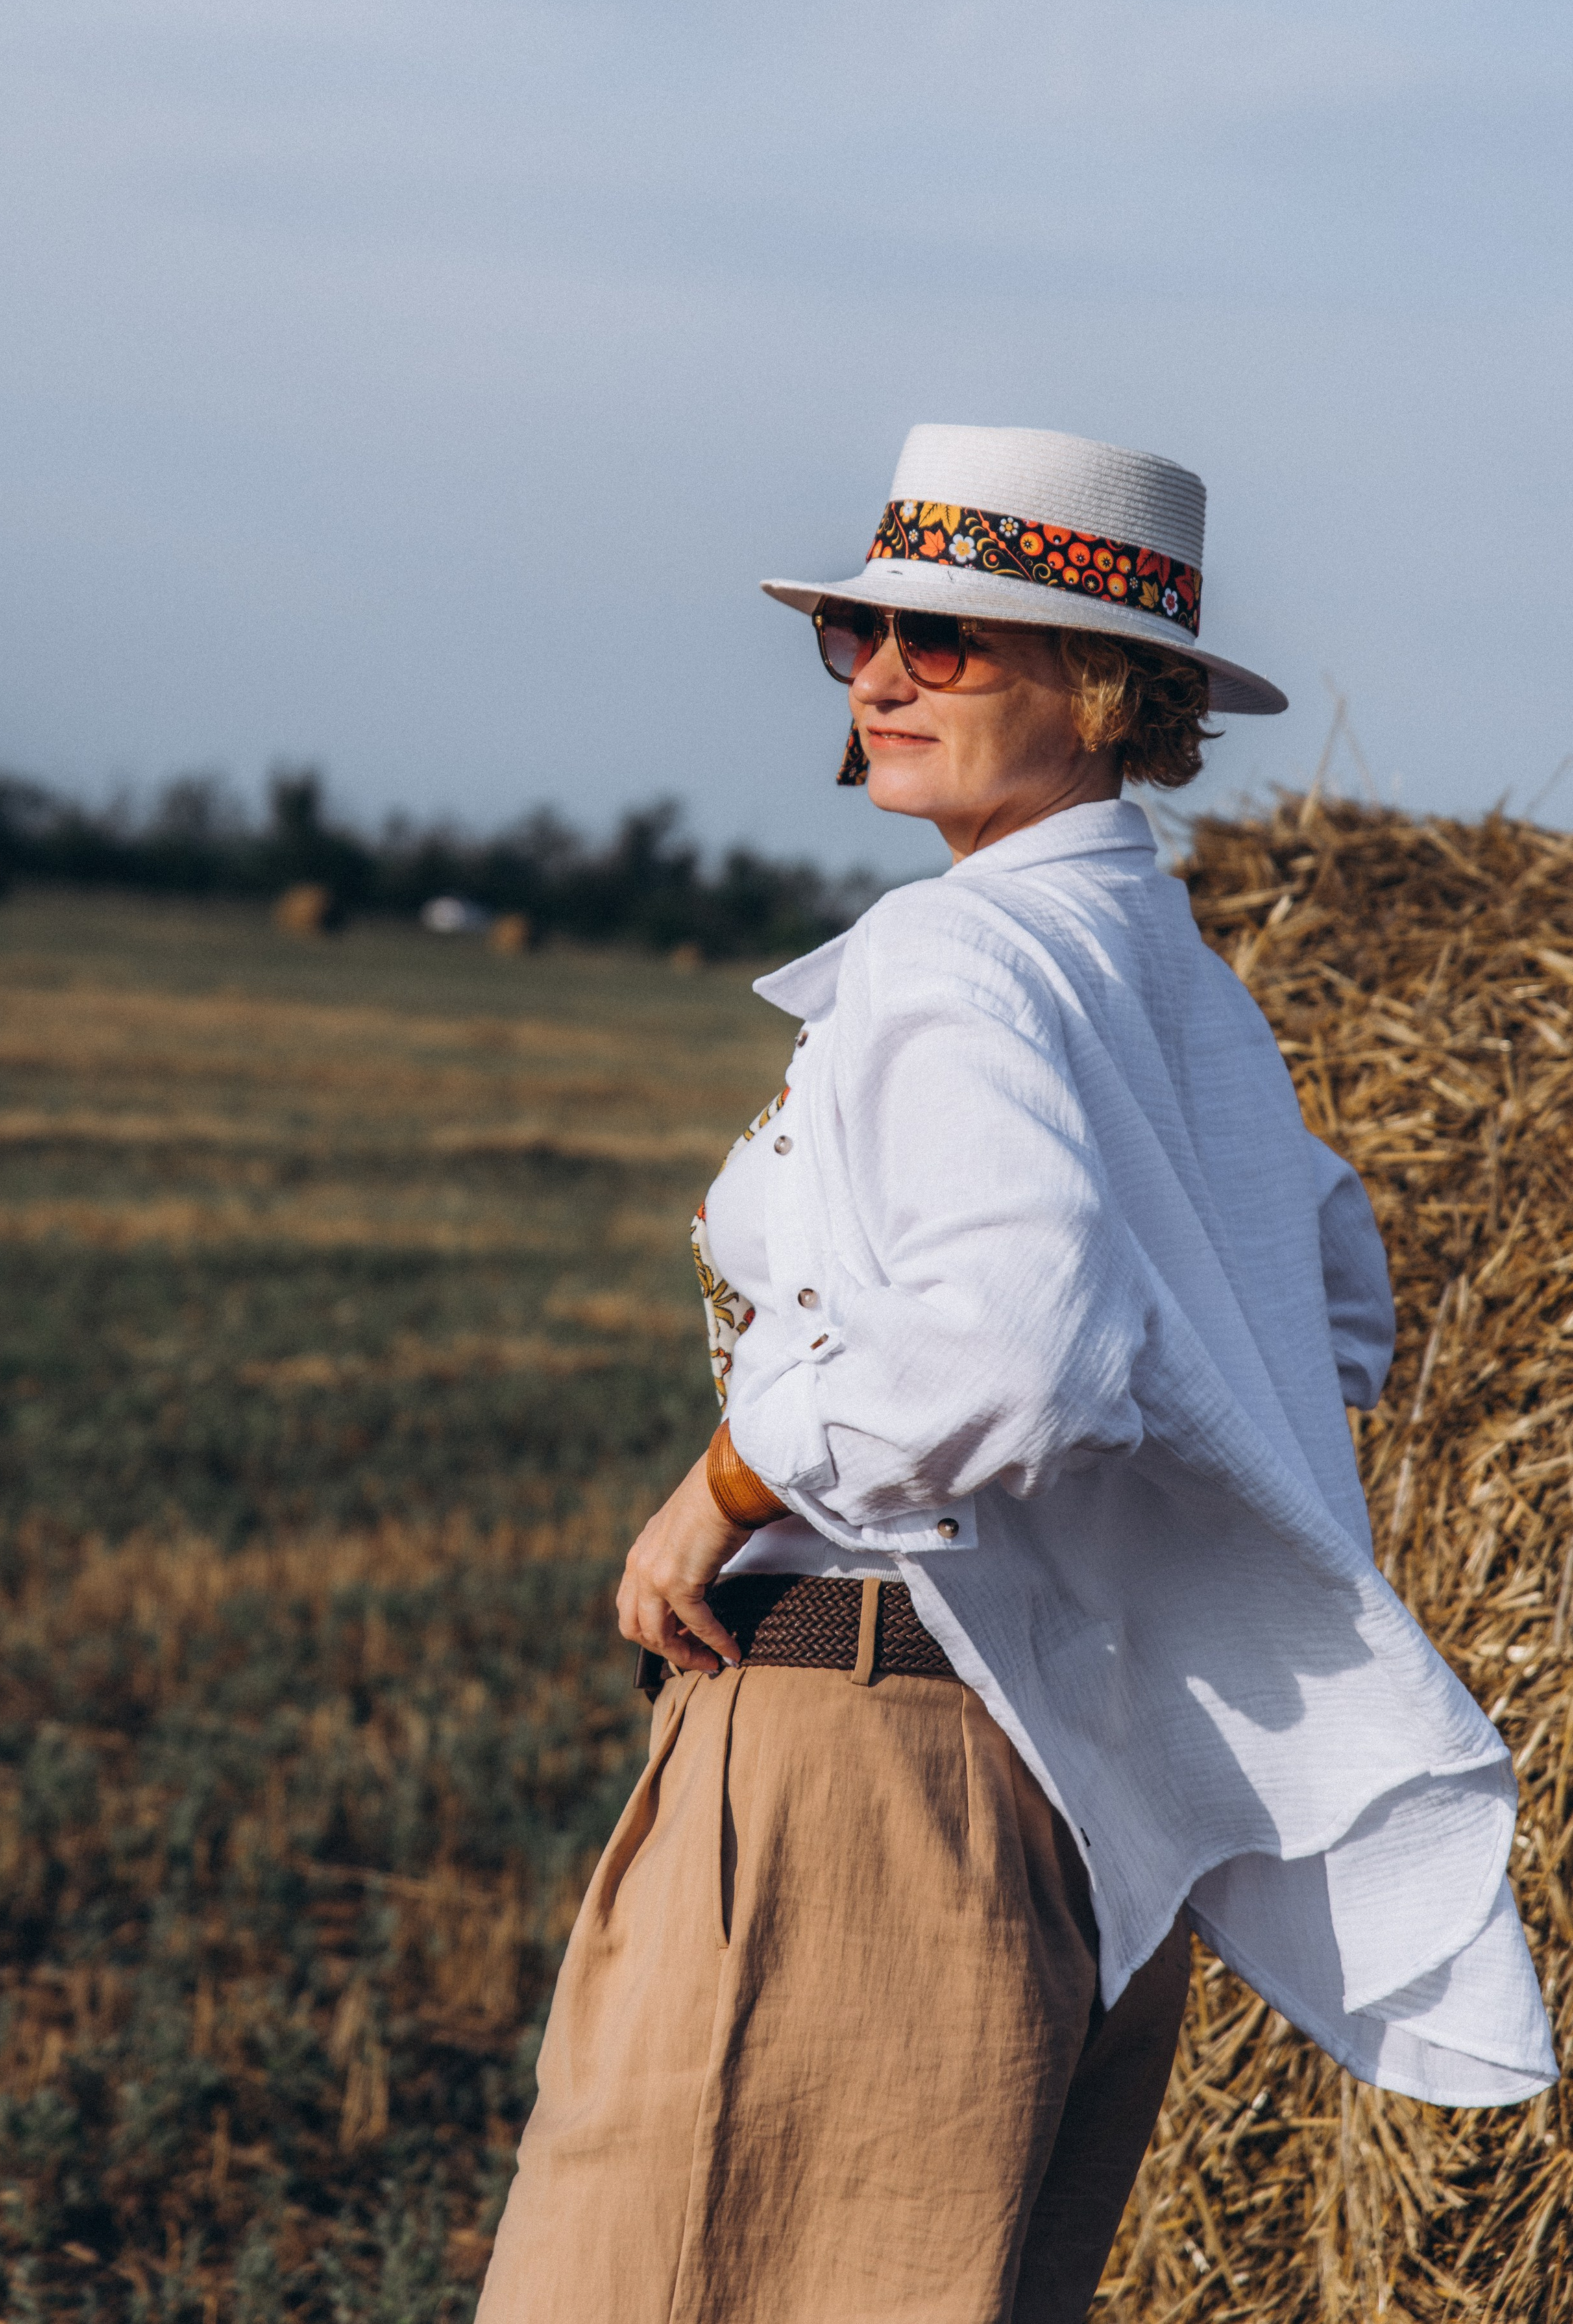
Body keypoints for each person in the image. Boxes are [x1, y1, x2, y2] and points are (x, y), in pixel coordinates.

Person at [477, 426, 1556, 2324]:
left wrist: (721, 1483)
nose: (883, 673)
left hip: (859, 1774)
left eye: (950, 639)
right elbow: (1329, 1317)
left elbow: (1023, 1343)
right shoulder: (1182, 984)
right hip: (1066, 1799)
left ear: (1108, 686)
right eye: (864, 631)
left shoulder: (954, 956)